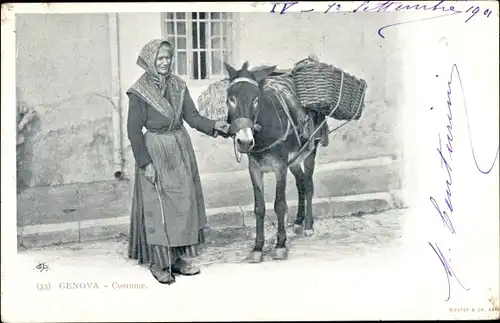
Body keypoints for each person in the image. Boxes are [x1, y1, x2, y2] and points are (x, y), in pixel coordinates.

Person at [126, 39, 229, 284]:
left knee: (183, 204)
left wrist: (215, 125)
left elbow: (192, 117)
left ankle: (179, 259)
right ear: (150, 60)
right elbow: (133, 131)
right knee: (158, 207)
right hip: (155, 151)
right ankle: (159, 263)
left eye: (168, 58)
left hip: (180, 149)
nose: (165, 62)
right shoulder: (139, 92)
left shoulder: (179, 86)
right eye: (160, 58)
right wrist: (145, 163)